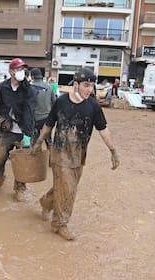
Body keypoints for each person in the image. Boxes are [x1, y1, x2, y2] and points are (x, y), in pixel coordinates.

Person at [33, 67, 119, 241]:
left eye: (91, 86)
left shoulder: (93, 105)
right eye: (86, 85)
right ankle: (59, 224)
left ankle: (46, 202)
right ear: (76, 85)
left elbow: (103, 129)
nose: (89, 89)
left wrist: (113, 151)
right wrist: (38, 143)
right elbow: (49, 124)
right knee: (69, 188)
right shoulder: (61, 102)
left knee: (65, 186)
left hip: (79, 155)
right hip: (59, 152)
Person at [0, 58, 36, 202]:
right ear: (11, 71)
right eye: (18, 69)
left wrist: (28, 135)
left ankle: (19, 189)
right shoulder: (2, 88)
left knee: (21, 162)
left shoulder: (28, 90)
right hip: (5, 130)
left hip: (22, 131)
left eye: (23, 69)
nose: (21, 72)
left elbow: (30, 112)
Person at [30, 68, 56, 147]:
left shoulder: (29, 88)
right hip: (47, 118)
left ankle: (35, 157)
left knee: (34, 141)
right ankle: (51, 157)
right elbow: (54, 102)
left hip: (34, 119)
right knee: (48, 140)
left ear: (32, 77)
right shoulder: (49, 87)